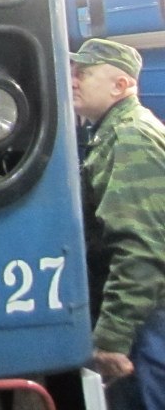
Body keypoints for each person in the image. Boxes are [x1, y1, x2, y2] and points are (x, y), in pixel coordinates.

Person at [72, 37, 165, 410]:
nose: (73, 80)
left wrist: (113, 336)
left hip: (147, 318)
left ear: (120, 85)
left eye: (84, 74)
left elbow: (140, 247)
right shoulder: (114, 132)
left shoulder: (129, 137)